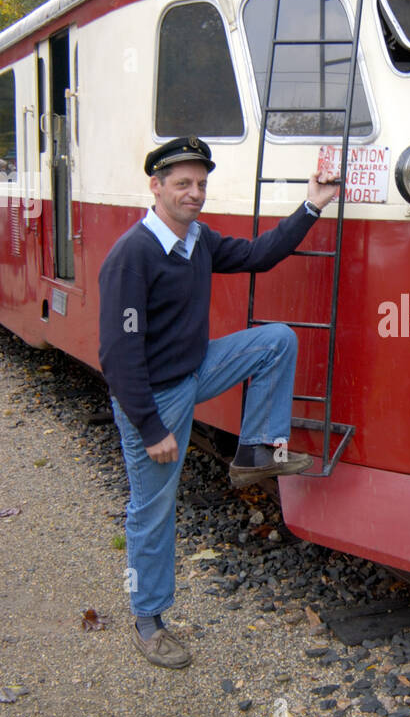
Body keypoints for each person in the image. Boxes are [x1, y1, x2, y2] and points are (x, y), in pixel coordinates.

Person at [98, 135, 339, 670]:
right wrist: (151, 427)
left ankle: (255, 450)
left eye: (201, 183)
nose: (194, 193)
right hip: (153, 399)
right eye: (182, 183)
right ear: (156, 187)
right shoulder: (132, 256)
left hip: (194, 369)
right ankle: (149, 620)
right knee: (152, 510)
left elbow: (260, 255)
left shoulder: (197, 241)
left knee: (276, 339)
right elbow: (118, 356)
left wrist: (312, 204)